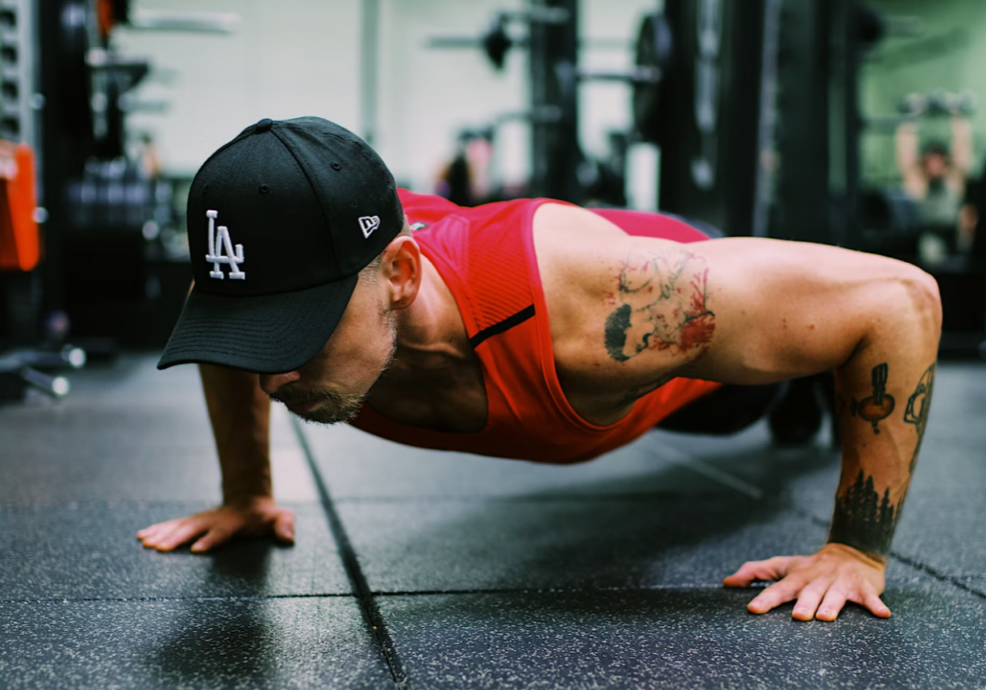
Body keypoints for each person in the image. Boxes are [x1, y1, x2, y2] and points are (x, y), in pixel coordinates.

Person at [139, 117, 941, 623]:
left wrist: (857, 553)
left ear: (402, 276)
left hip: (679, 335)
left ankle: (803, 386)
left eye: (298, 334)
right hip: (568, 354)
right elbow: (222, 318)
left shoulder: (605, 315)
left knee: (759, 390)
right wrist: (247, 491)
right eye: (253, 336)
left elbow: (900, 300)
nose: (272, 377)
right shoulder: (289, 284)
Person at [896, 94, 975, 262]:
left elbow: (962, 151)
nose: (935, 166)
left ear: (945, 163)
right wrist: (910, 117)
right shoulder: (919, 185)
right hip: (924, 243)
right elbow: (905, 156)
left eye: (939, 161)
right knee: (930, 246)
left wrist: (957, 114)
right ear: (924, 163)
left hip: (955, 242)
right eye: (931, 162)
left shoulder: (953, 183)